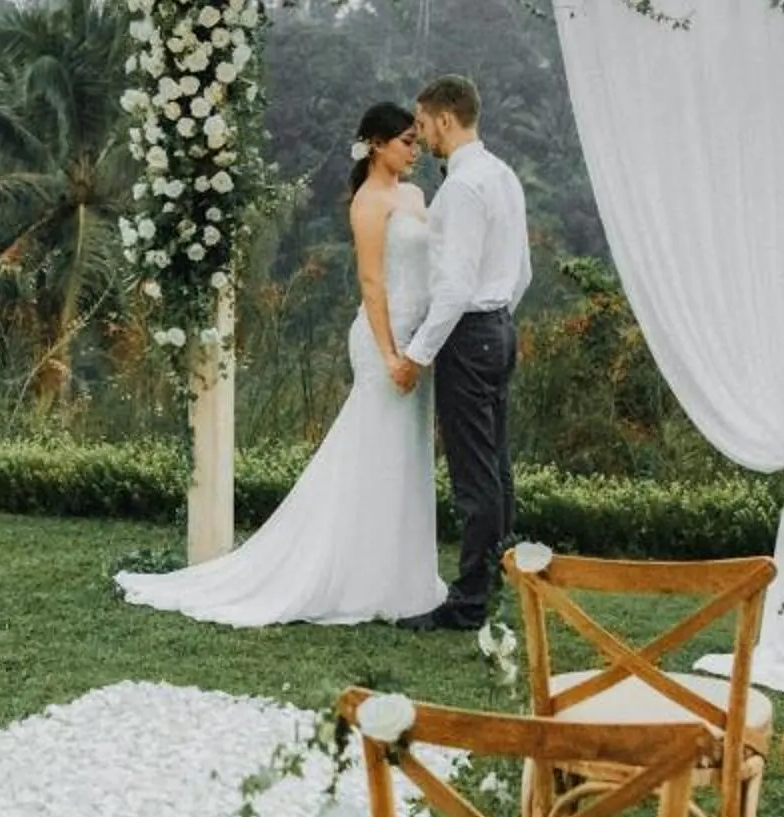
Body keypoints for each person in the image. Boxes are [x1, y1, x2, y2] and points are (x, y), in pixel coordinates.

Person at [115, 100, 448, 627]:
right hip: (385, 338)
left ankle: (399, 575)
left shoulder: (414, 194)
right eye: (406, 140)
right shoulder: (368, 202)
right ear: (377, 144)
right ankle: (354, 577)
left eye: (415, 139)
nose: (415, 150)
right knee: (375, 450)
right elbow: (371, 282)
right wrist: (389, 352)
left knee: (405, 452)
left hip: (418, 338)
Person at [391, 73, 530, 632]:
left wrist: (418, 355)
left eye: (423, 125)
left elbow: (452, 288)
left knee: (474, 476)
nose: (422, 137)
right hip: (498, 328)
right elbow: (521, 270)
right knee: (495, 467)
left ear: (445, 119)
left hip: (469, 337)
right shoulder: (504, 176)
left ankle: (469, 601)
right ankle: (499, 579)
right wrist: (500, 319)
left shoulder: (461, 189)